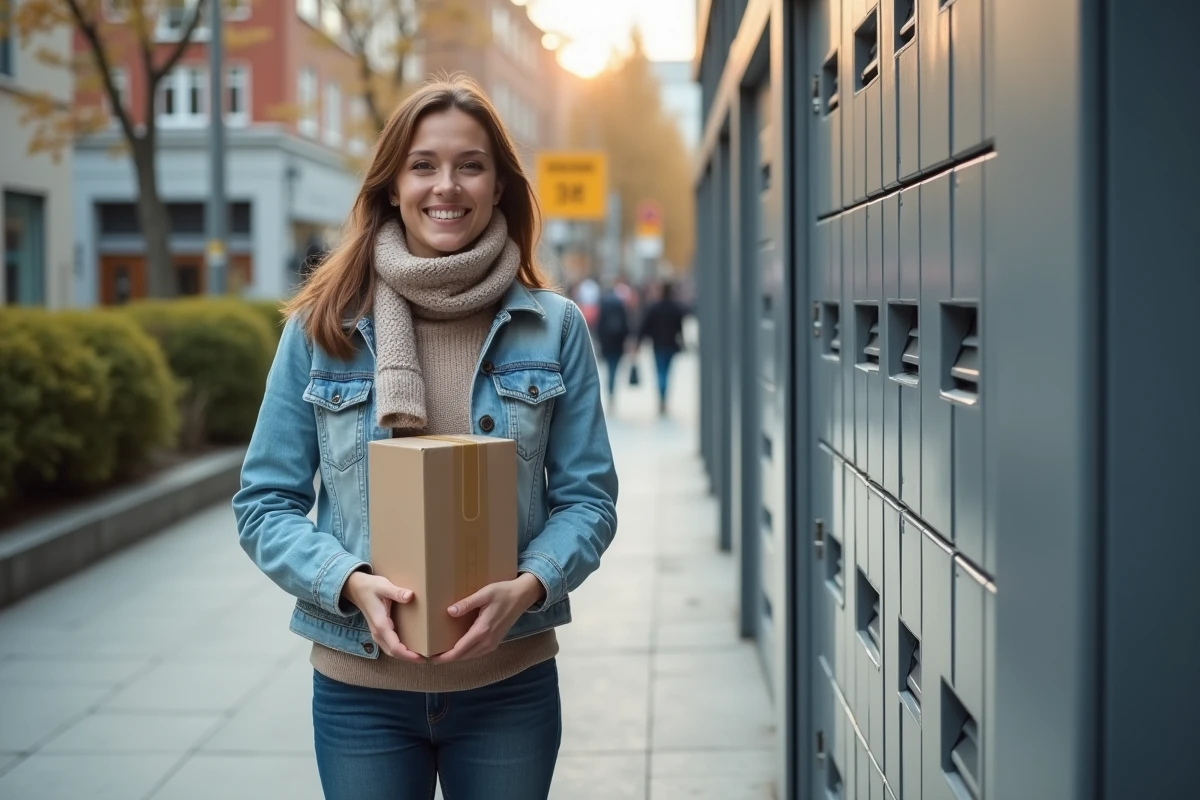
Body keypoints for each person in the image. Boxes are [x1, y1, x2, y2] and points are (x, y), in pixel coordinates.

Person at [232, 76, 618, 800]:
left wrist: (529, 586)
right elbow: (264, 503)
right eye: (423, 165)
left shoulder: (554, 327)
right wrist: (346, 584)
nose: (447, 185)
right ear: (390, 187)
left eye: (470, 164)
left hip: (509, 686)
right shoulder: (322, 331)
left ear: (500, 185)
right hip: (361, 693)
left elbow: (589, 501)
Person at [638, 280, 689, 416]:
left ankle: (661, 398)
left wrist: (639, 341)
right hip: (671, 344)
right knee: (667, 371)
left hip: (658, 344)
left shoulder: (655, 307)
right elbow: (680, 328)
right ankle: (664, 398)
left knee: (660, 371)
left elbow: (646, 326)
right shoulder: (675, 308)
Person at [595, 283, 631, 400]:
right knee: (614, 366)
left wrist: (599, 338)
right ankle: (612, 389)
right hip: (617, 341)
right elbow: (625, 323)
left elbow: (599, 323)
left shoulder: (604, 304)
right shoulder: (620, 303)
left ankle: (610, 389)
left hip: (607, 340)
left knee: (609, 366)